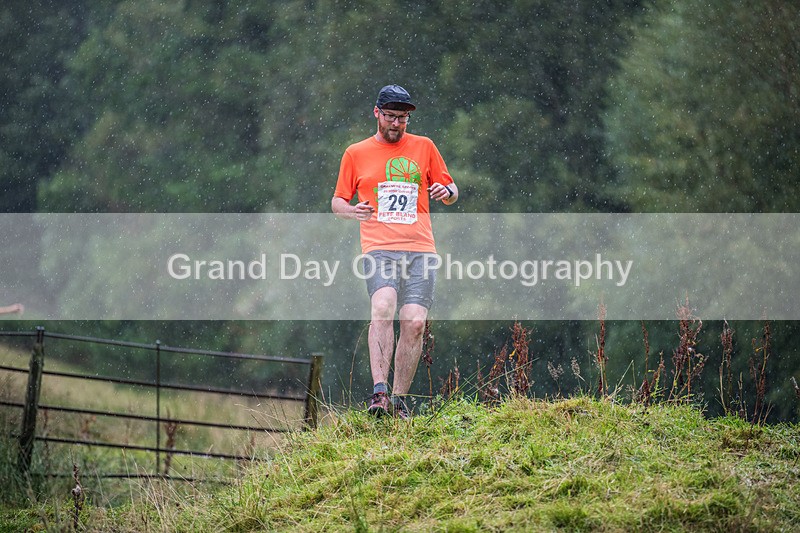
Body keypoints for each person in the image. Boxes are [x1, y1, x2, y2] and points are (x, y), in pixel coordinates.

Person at [332, 84, 459, 419]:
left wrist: (445, 191)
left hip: (420, 248)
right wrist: (353, 211)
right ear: (376, 113)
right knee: (383, 306)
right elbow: (337, 202)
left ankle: (399, 402)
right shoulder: (355, 153)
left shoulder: (424, 146)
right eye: (390, 116)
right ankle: (379, 393)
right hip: (380, 247)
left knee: (414, 322)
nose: (396, 124)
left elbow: (452, 189)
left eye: (402, 118)